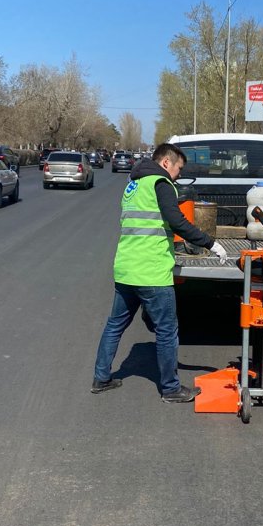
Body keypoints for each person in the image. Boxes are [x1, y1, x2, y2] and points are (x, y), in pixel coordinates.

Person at [92, 142, 228, 403]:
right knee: (167, 330)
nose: (177, 175)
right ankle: (171, 389)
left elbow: (147, 222)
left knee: (115, 325)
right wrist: (210, 243)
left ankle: (101, 377)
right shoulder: (161, 183)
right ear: (166, 163)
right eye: (178, 169)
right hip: (151, 270)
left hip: (126, 267)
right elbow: (176, 221)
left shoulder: (133, 185)